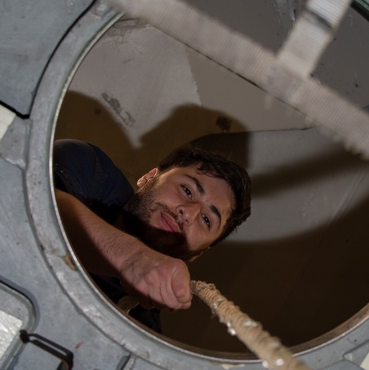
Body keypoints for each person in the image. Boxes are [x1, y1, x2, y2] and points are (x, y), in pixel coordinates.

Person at [53, 139, 251, 330]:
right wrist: (132, 258)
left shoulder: (143, 331)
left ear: (198, 253)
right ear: (148, 177)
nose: (188, 213)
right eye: (187, 190)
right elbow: (33, 204)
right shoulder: (89, 170)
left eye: (207, 220)